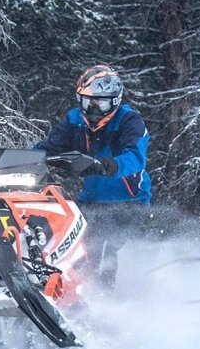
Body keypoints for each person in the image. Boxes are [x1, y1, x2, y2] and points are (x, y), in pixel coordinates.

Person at [35, 63, 152, 287]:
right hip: (90, 201)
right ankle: (50, 283)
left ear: (115, 101)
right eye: (88, 103)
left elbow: (136, 157)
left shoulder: (130, 121)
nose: (94, 110)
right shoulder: (74, 120)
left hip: (129, 203)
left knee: (103, 248)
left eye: (101, 103)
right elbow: (50, 148)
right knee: (59, 234)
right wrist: (22, 161)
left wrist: (109, 166)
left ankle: (104, 301)